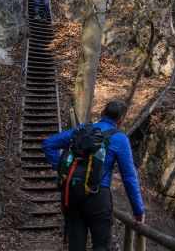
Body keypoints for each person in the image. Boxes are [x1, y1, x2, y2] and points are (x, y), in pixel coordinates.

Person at [42, 100, 146, 251]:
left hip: (73, 195)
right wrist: (138, 211)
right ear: (120, 120)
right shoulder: (119, 139)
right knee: (101, 246)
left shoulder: (83, 130)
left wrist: (60, 167)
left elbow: (48, 144)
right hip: (98, 197)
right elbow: (129, 177)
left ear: (103, 113)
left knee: (76, 247)